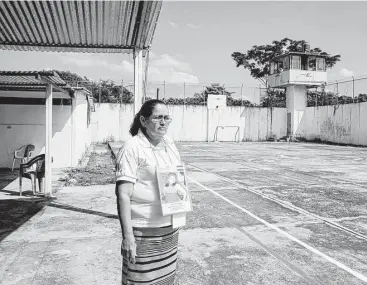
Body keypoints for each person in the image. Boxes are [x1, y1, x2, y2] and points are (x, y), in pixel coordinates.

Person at [115, 99, 187, 285]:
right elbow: (123, 194)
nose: (163, 122)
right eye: (157, 118)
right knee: (140, 280)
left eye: (166, 118)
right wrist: (128, 236)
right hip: (144, 228)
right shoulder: (132, 147)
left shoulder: (169, 144)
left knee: (164, 279)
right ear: (144, 120)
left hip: (169, 226)